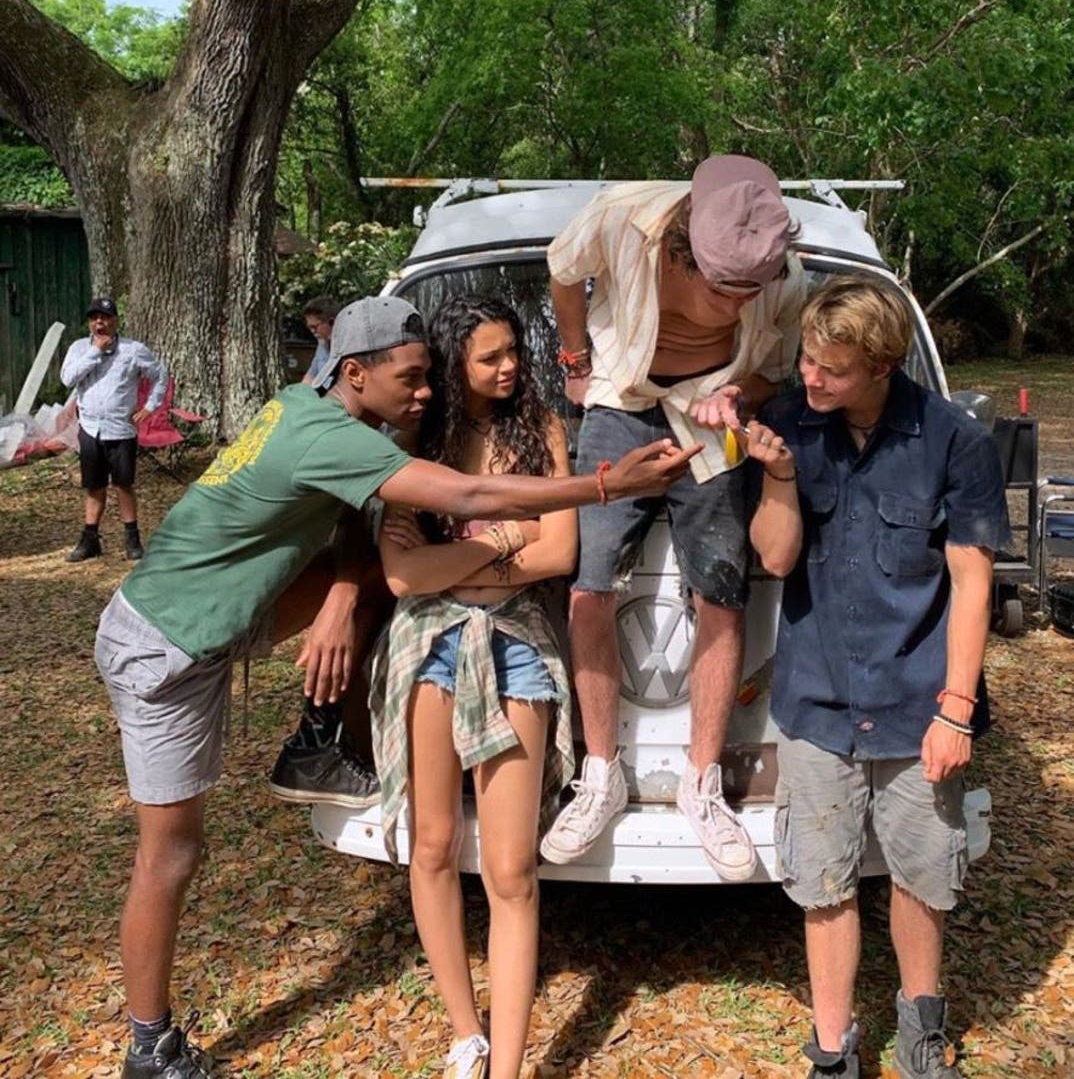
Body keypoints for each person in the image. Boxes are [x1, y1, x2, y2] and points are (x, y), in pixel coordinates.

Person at [93, 294, 698, 1079]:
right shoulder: (336, 435)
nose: (425, 389)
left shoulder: (306, 405)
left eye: (429, 376)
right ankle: (148, 1044)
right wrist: (601, 486)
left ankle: (321, 735)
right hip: (166, 645)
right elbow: (461, 510)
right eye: (412, 377)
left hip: (225, 618)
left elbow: (367, 530)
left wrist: (347, 593)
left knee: (367, 581)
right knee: (170, 854)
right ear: (355, 373)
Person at [746, 277, 1009, 1079]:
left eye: (831, 367)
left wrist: (957, 707)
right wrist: (781, 477)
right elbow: (776, 557)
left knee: (922, 875)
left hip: (916, 700)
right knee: (823, 883)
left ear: (883, 364)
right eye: (806, 360)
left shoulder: (952, 439)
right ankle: (833, 1050)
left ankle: (922, 1037)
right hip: (819, 702)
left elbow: (971, 581)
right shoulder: (790, 424)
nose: (810, 378)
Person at [540, 155, 806, 880]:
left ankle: (702, 782)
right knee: (590, 582)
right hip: (620, 399)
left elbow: (773, 365)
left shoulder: (786, 277)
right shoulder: (623, 216)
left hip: (709, 410)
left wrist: (735, 396)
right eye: (727, 290)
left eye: (756, 288)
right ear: (685, 250)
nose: (742, 303)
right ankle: (600, 772)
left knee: (721, 587)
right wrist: (573, 356)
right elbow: (563, 269)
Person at [373, 296, 577, 1079]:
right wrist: (500, 539)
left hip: (517, 649)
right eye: (490, 355)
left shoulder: (543, 431)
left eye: (513, 351)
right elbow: (401, 574)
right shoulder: (419, 443)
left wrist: (453, 561)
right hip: (429, 646)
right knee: (431, 846)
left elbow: (558, 552)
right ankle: (467, 1033)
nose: (509, 367)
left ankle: (512, 1063)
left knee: (511, 868)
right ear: (455, 361)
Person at [61, 296, 168, 562]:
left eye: (106, 317)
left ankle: (132, 540)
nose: (100, 322)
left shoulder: (133, 350)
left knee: (123, 484)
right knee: (94, 486)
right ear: (89, 322)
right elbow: (67, 379)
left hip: (121, 428)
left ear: (115, 321)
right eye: (95, 318)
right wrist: (95, 352)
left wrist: (150, 406)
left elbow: (160, 375)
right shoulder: (78, 349)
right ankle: (90, 541)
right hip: (90, 427)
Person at [301, 295, 339, 385]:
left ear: (332, 322)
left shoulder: (349, 346)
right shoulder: (322, 344)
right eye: (309, 327)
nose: (312, 331)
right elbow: (310, 376)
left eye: (314, 327)